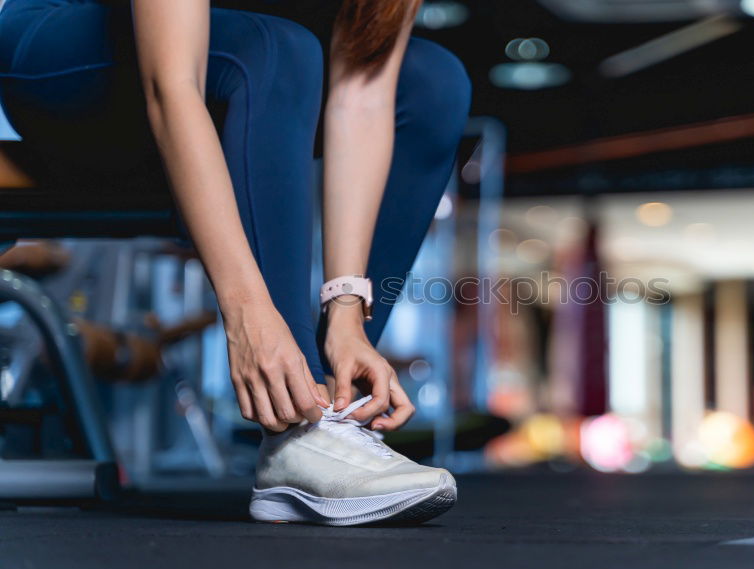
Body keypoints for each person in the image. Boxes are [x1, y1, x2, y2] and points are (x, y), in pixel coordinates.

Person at [0, 0, 471, 525]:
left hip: (253, 81)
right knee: (278, 48)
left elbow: (362, 94)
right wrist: (248, 315)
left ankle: (325, 406)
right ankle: (299, 435)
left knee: (433, 82)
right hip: (73, 66)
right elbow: (172, 83)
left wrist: (346, 310)